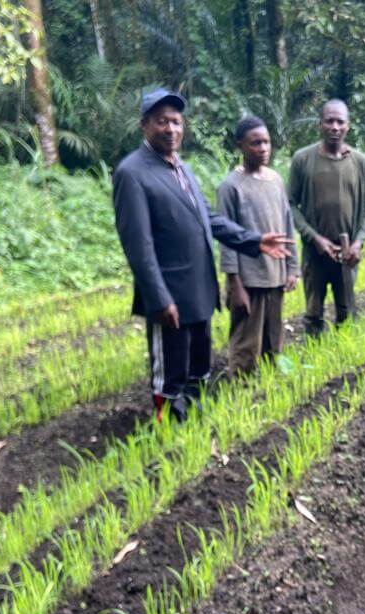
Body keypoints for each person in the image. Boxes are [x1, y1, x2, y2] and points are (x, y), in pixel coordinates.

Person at [112, 88, 292, 422]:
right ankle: (168, 429)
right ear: (144, 125)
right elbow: (139, 247)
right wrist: (159, 298)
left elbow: (208, 219)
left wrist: (253, 241)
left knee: (198, 365)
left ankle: (193, 421)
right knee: (171, 372)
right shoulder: (132, 173)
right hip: (170, 294)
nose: (171, 129)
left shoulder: (181, 167)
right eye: (162, 121)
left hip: (199, 288)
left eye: (176, 122)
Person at [217, 115, 299, 376]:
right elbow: (227, 238)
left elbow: (287, 224)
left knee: (273, 339)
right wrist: (235, 284)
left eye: (266, 142)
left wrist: (292, 267)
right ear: (240, 146)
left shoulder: (275, 180)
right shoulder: (231, 187)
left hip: (275, 275)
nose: (263, 148)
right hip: (248, 280)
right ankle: (240, 386)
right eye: (255, 143)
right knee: (246, 342)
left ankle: (267, 387)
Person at [288, 99, 365, 337]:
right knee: (313, 313)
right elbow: (290, 204)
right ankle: (315, 355)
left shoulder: (360, 163)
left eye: (340, 122)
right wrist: (314, 238)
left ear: (348, 126)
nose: (335, 127)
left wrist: (358, 243)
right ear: (320, 124)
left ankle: (343, 355)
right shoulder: (303, 160)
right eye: (329, 121)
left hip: (347, 255)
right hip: (315, 253)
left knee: (346, 311)